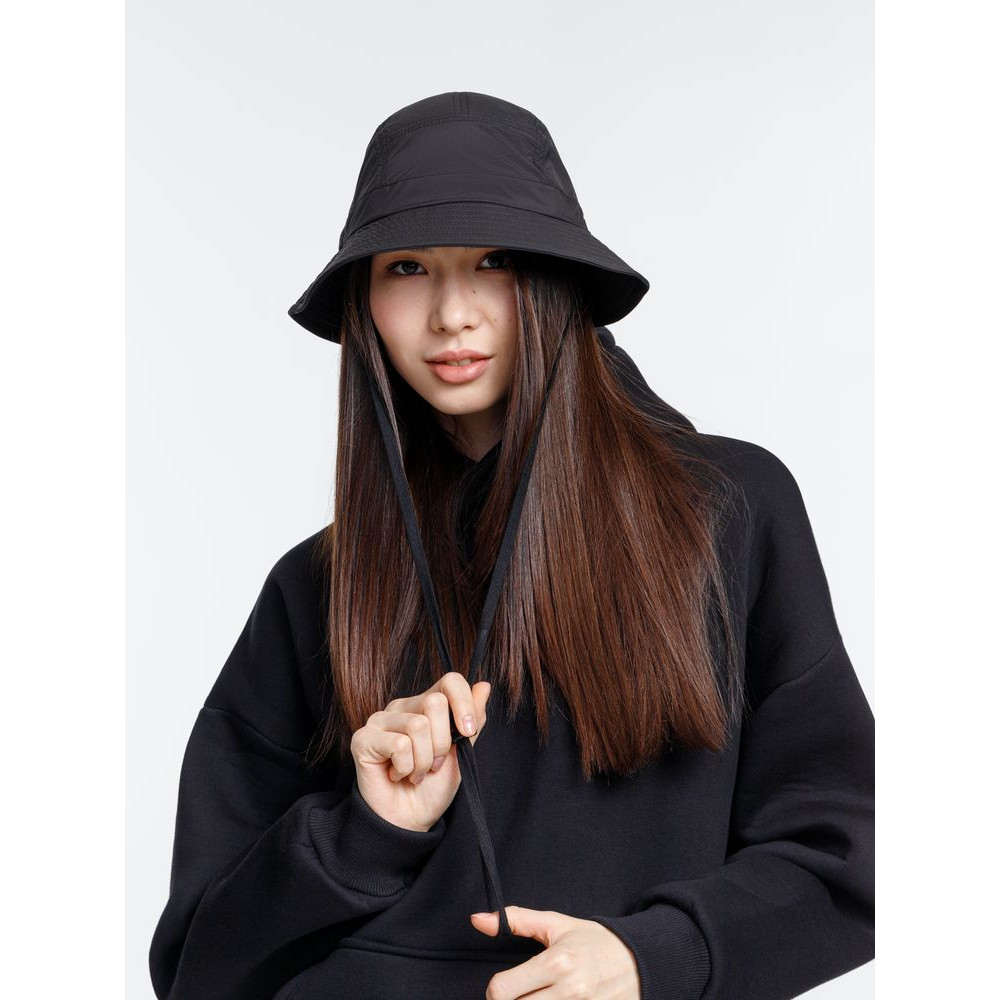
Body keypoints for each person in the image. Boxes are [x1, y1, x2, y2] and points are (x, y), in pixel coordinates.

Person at [148, 91, 875, 1000]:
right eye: (407, 268)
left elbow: (851, 857)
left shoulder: (726, 512)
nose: (451, 313)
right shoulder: (318, 585)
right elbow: (200, 970)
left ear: (555, 280)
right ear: (365, 302)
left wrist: (656, 957)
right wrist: (366, 833)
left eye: (492, 262)